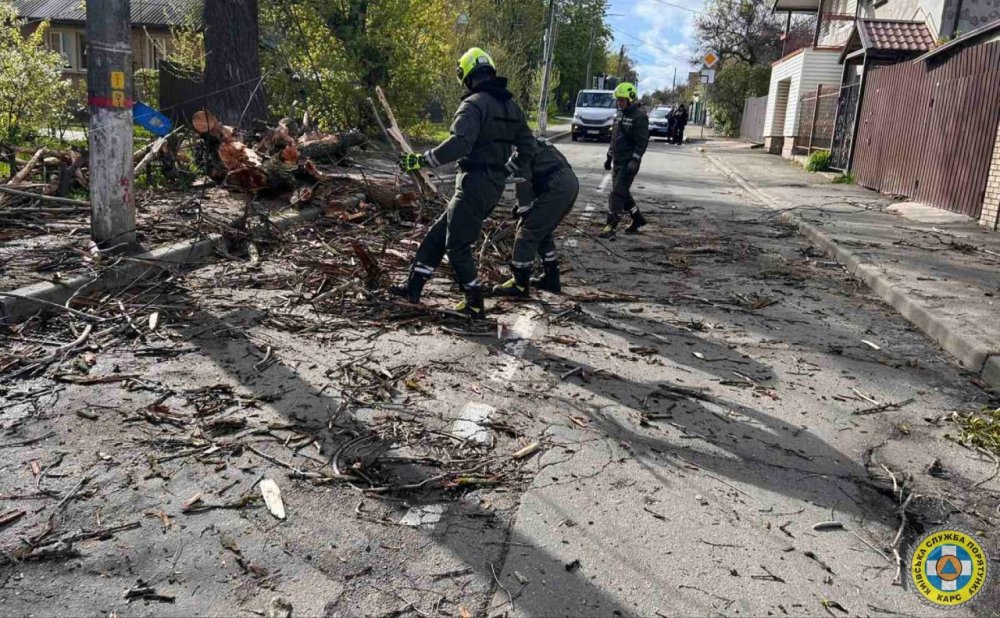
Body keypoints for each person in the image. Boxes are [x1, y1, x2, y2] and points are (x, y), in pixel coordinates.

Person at [390, 47, 535, 319]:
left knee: (457, 244)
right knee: (439, 234)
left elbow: (460, 144)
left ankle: (474, 301)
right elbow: (528, 147)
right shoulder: (511, 106)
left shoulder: (473, 104)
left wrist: (422, 160)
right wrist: (506, 170)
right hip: (491, 186)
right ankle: (413, 287)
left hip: (473, 184)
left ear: (466, 76)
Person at [491, 137, 579, 298]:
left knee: (526, 232)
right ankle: (551, 278)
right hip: (568, 183)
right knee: (542, 231)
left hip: (557, 188)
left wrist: (524, 209)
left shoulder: (522, 152)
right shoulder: (538, 142)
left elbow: (522, 182)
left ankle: (520, 285)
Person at [599, 82, 649, 239]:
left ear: (630, 99)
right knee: (623, 193)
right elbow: (615, 138)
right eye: (618, 100)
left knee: (616, 194)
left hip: (629, 162)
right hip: (617, 160)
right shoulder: (619, 115)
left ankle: (610, 226)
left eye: (622, 100)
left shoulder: (639, 117)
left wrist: (635, 159)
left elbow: (642, 141)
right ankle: (638, 219)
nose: (619, 103)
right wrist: (609, 156)